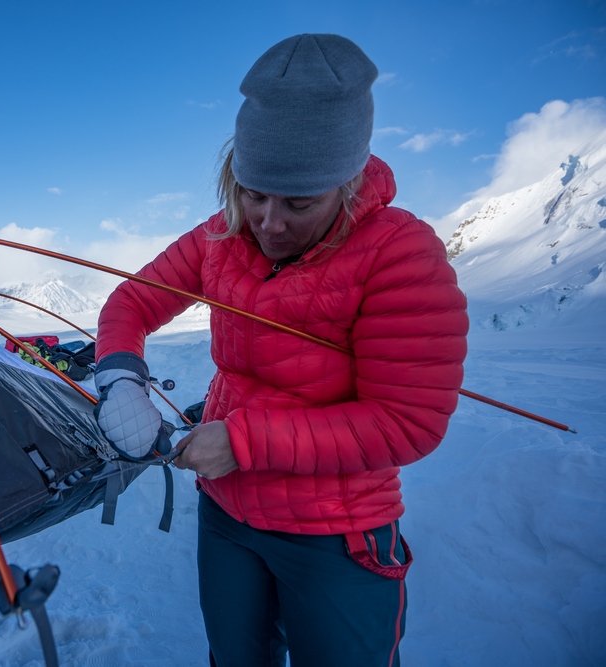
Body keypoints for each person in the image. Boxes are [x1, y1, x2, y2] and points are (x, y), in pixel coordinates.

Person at [92, 34, 469, 667]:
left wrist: (239, 442)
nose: (268, 222)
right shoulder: (221, 236)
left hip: (336, 533)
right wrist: (121, 380)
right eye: (252, 192)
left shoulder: (400, 254)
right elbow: (131, 304)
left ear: (347, 184)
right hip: (228, 517)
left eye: (299, 202)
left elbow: (407, 422)